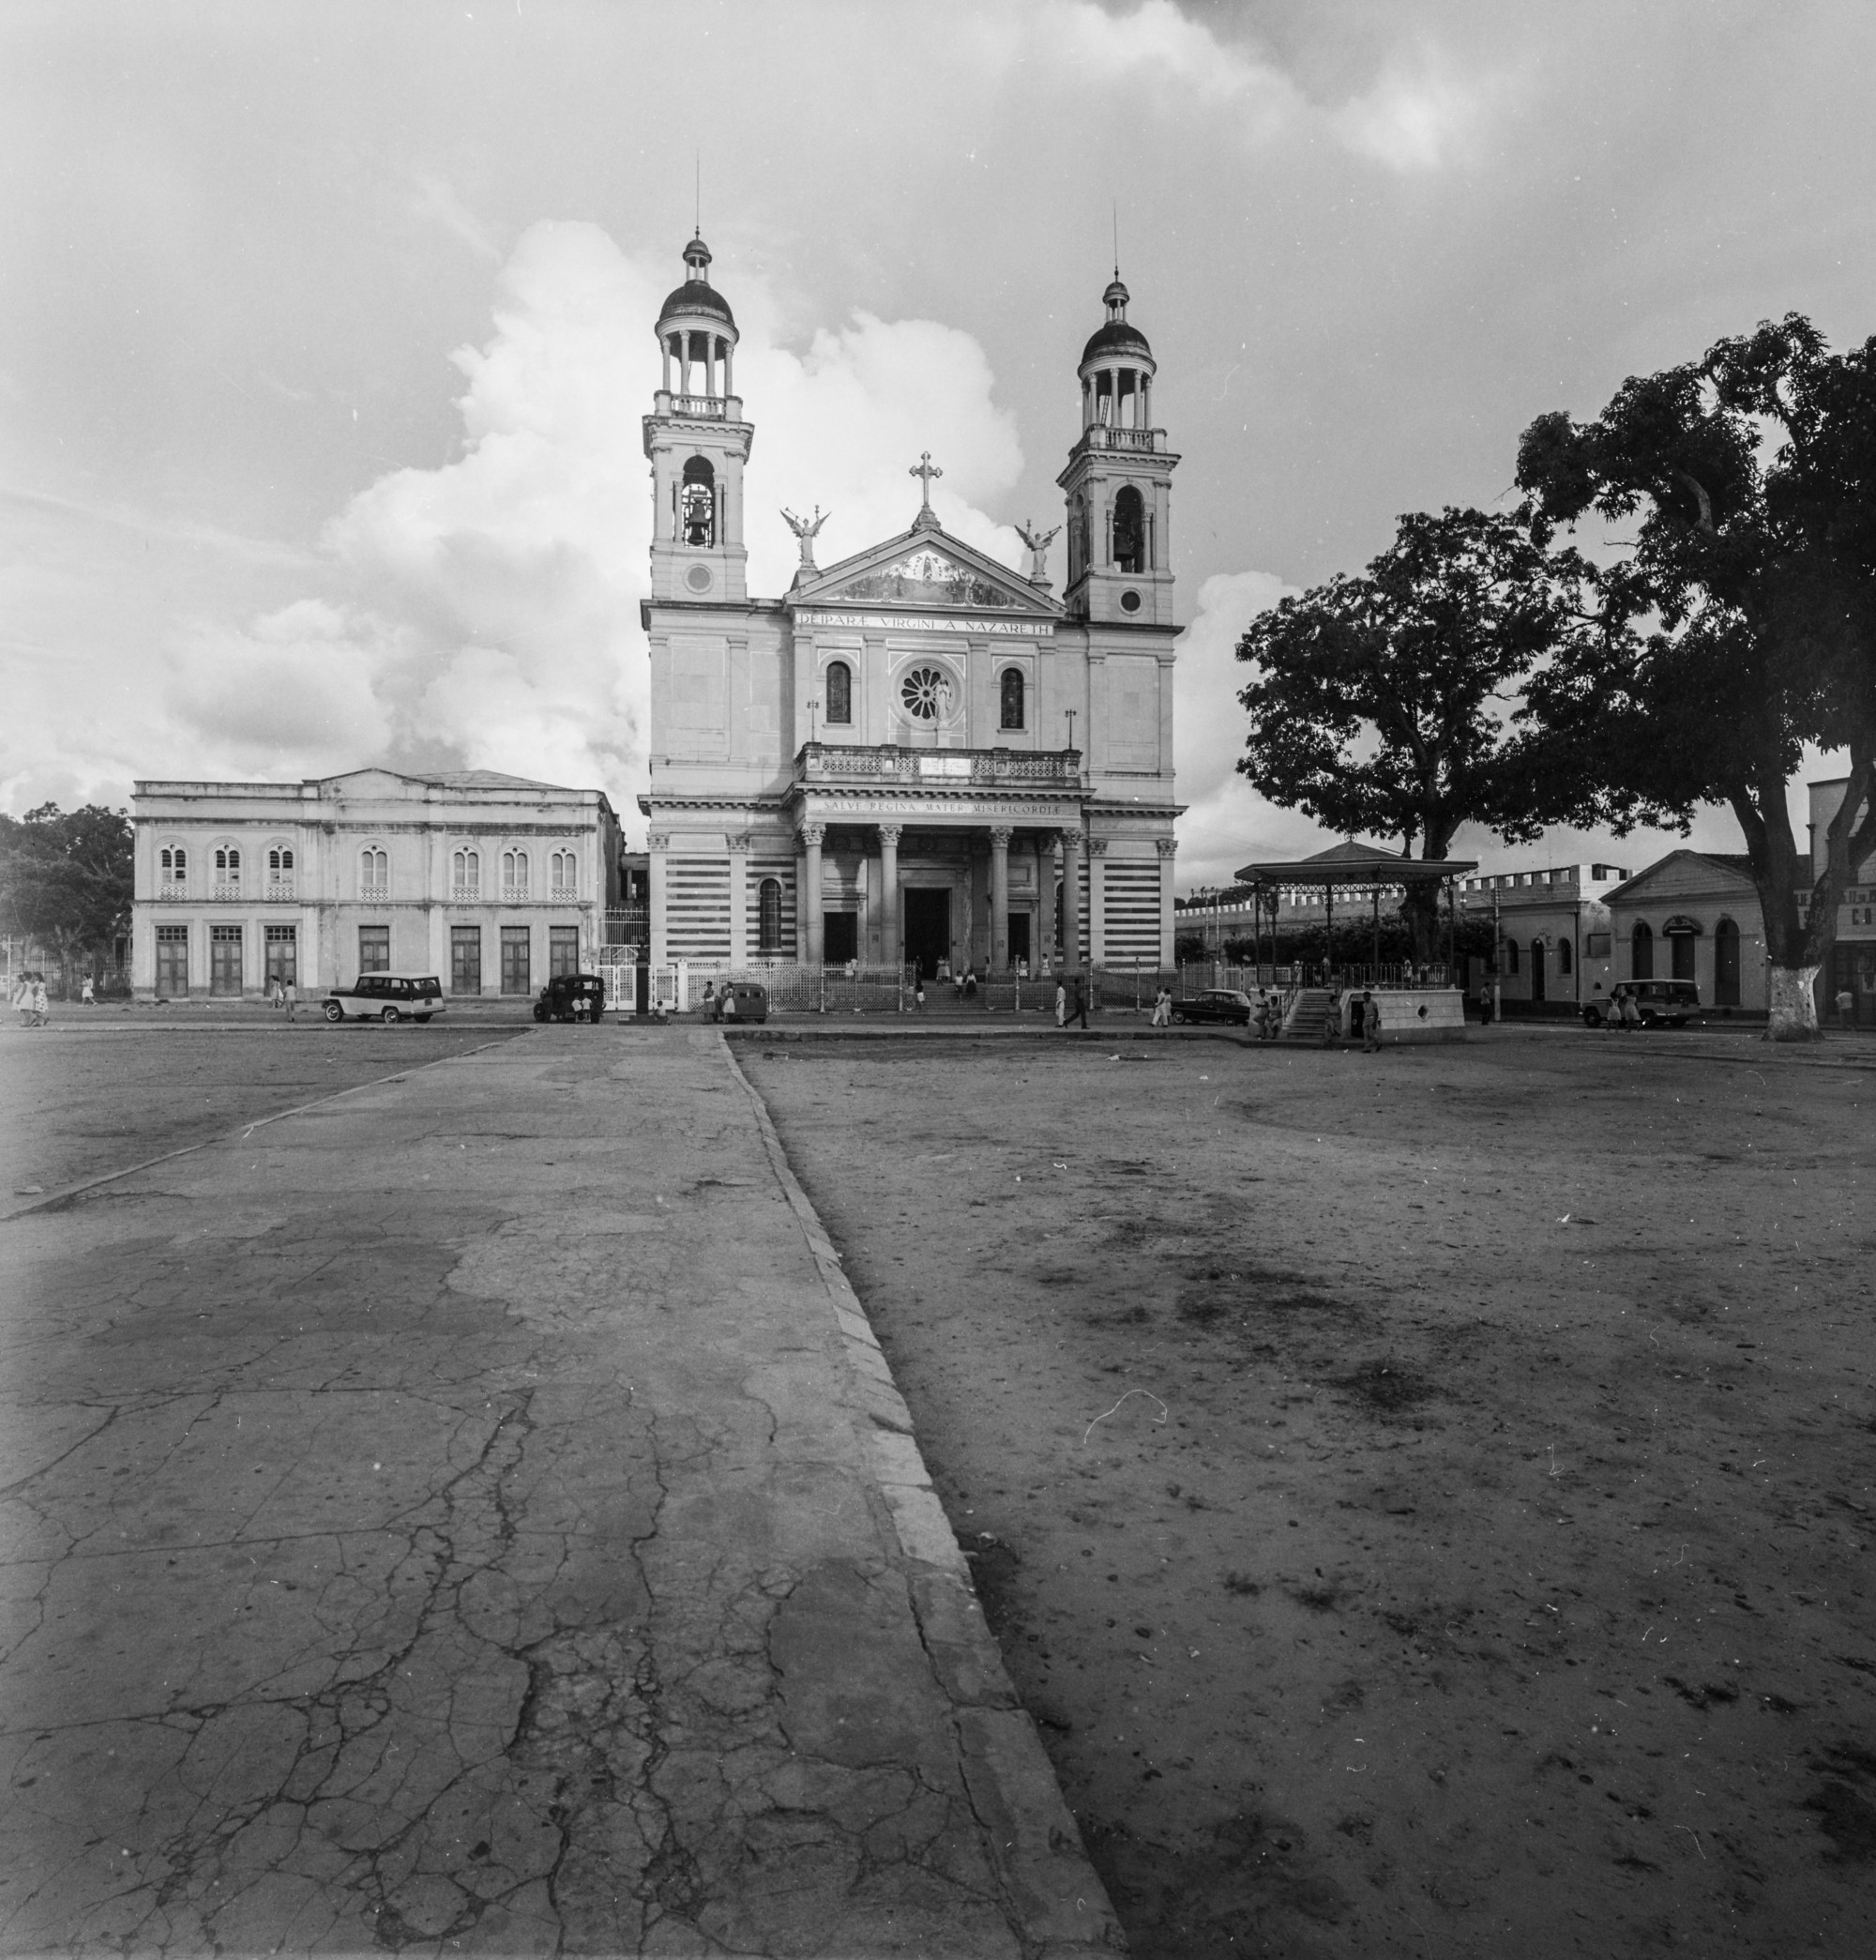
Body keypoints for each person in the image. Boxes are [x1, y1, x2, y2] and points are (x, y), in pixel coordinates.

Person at [1362, 989, 1382, 1053]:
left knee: (1371, 1034)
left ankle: (1378, 1042)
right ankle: (1367, 1047)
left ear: (1369, 996)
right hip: (1366, 1018)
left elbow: (1376, 1012)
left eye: (1365, 996)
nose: (1364, 998)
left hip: (1372, 1018)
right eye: (1364, 997)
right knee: (1365, 1034)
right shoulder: (1364, 1004)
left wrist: (1375, 1022)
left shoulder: (1373, 1003)